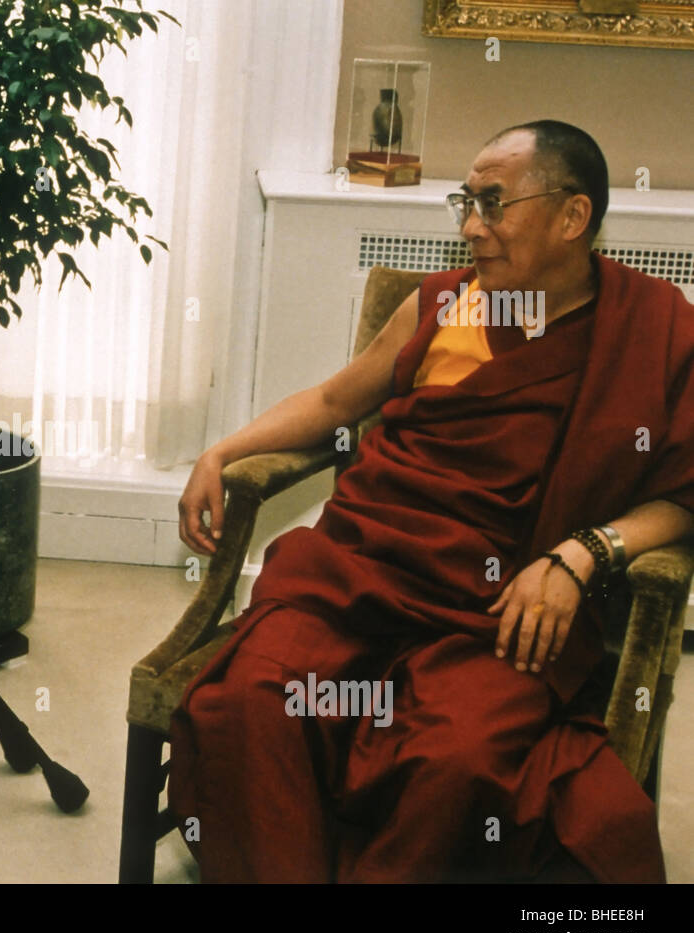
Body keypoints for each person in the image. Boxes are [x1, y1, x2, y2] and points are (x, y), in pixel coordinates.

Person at [169, 120, 694, 883]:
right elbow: (331, 400)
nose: (472, 227)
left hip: (497, 612)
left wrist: (583, 552)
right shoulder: (442, 305)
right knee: (255, 697)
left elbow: (683, 493)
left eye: (494, 203)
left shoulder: (652, 328)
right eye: (466, 203)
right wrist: (221, 450)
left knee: (458, 753)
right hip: (356, 573)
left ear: (573, 217)